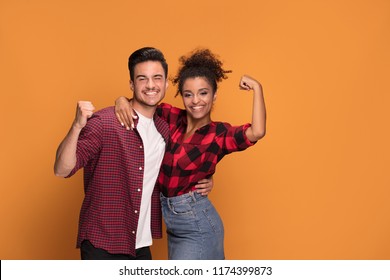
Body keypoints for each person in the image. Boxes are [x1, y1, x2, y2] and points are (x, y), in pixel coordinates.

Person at [54, 47, 212, 260]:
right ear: (132, 84)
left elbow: (183, 162)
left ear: (165, 84)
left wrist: (206, 179)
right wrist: (76, 126)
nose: (150, 85)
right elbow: (62, 170)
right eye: (142, 79)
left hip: (140, 244)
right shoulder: (106, 122)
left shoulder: (165, 129)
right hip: (103, 242)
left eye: (157, 78)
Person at [115, 48, 266, 259]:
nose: (196, 101)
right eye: (188, 94)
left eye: (203, 93)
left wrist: (257, 88)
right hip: (172, 224)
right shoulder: (170, 116)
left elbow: (257, 131)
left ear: (214, 96)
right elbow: (142, 102)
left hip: (197, 224)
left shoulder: (218, 134)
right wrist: (121, 100)